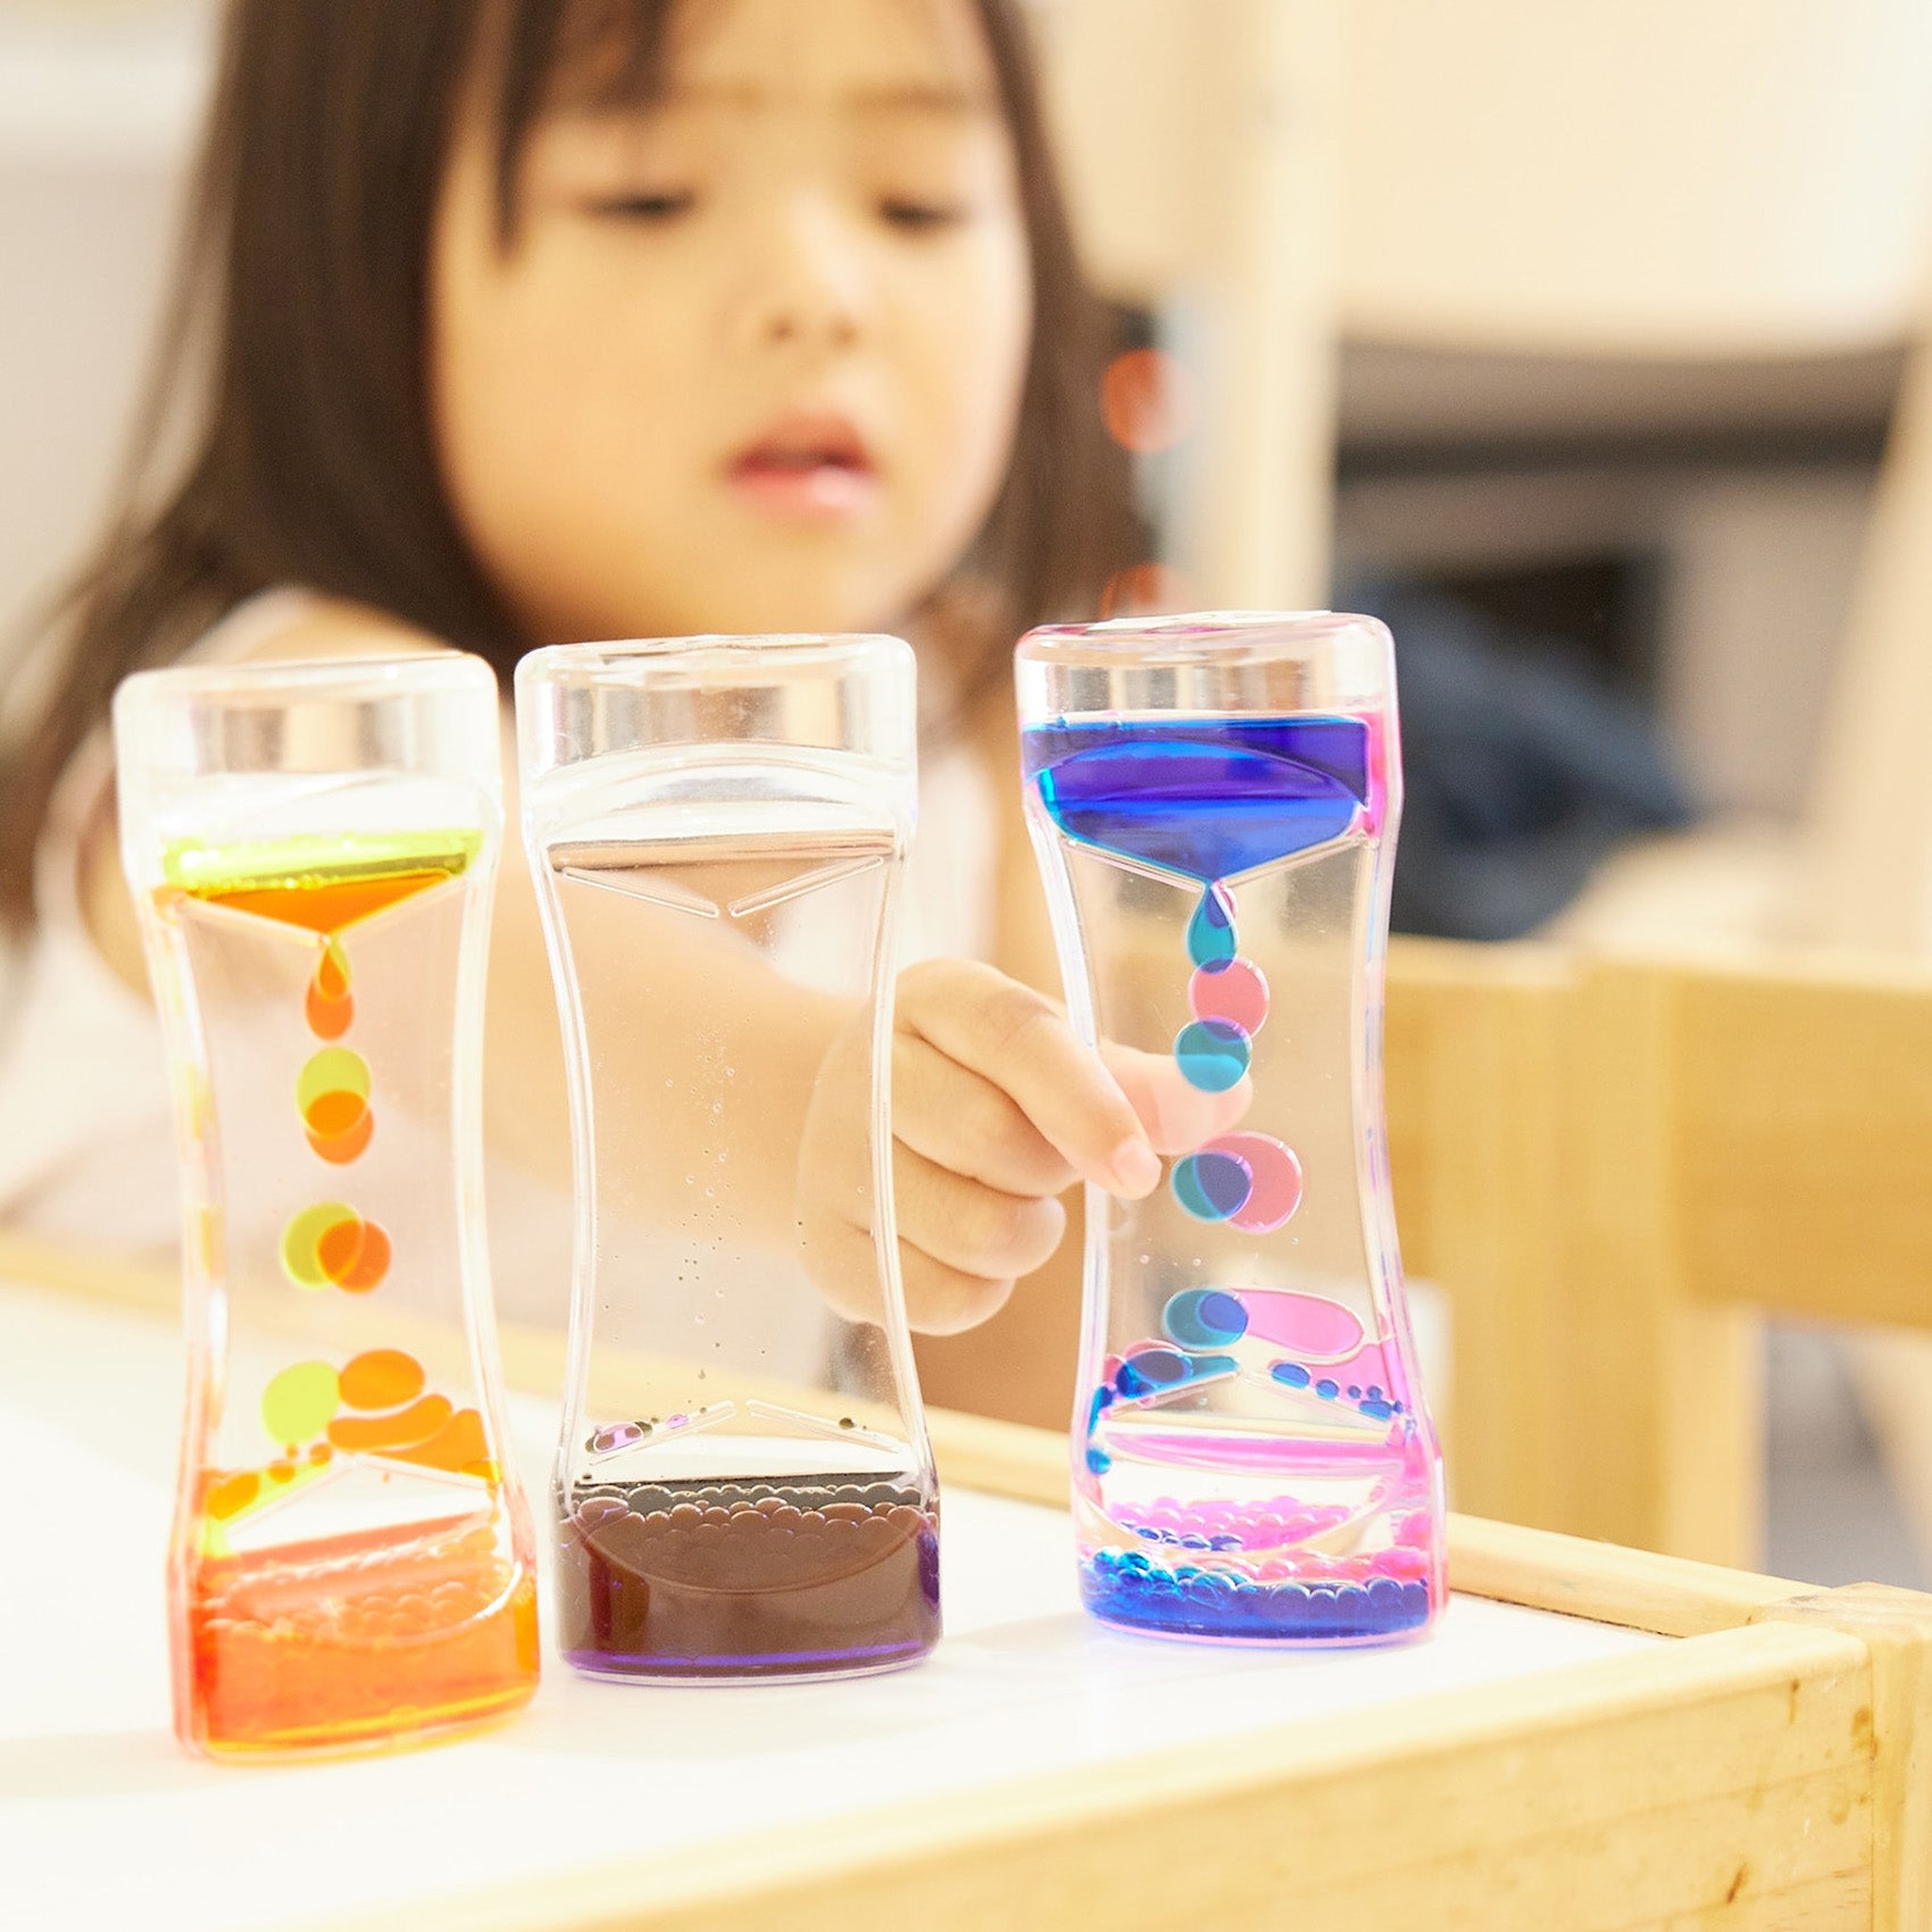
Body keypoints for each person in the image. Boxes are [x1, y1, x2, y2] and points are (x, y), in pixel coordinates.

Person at [0, 0, 1232, 1425]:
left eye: (920, 202)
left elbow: (1014, 1438)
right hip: (135, 1609)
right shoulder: (287, 713)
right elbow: (485, 979)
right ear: (361, 268)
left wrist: (1050, 1158)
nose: (820, 291)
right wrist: (814, 1094)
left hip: (636, 1623)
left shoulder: (973, 739)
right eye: (646, 193)